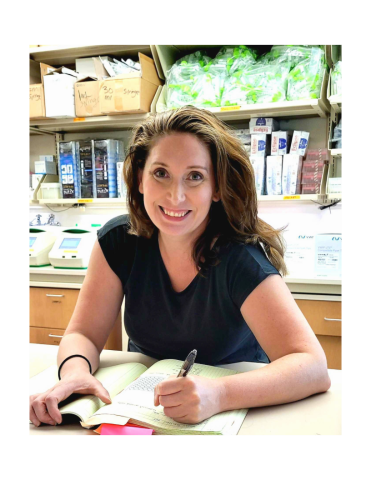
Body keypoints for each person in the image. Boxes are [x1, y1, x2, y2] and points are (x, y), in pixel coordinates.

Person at [29, 106, 331, 427]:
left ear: (216, 188)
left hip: (233, 412)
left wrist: (220, 394)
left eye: (195, 176)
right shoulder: (119, 241)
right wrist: (75, 374)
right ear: (140, 178)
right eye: (161, 173)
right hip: (143, 407)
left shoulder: (240, 258)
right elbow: (84, 334)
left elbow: (312, 366)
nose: (176, 195)